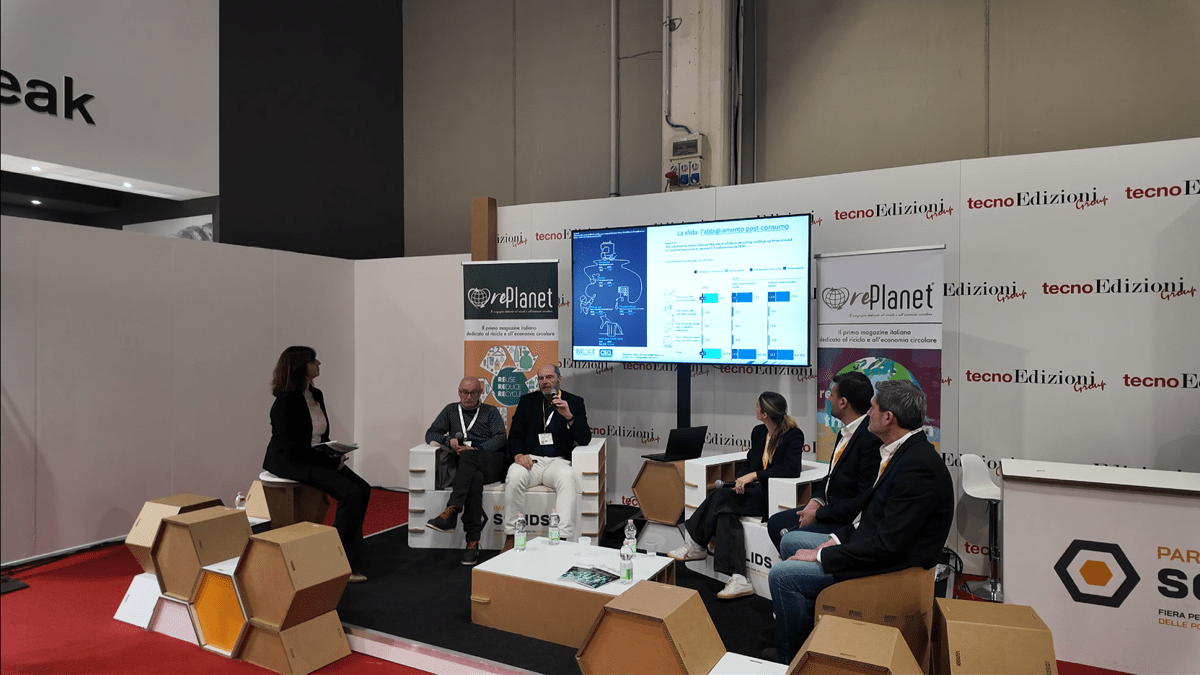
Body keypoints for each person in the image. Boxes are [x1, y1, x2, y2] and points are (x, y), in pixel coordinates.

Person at [767, 380, 953, 663]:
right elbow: (872, 518)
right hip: (877, 548)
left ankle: (791, 659)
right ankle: (806, 637)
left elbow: (887, 545)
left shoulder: (917, 466)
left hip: (894, 568)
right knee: (792, 542)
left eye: (873, 408)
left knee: (781, 575)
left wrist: (824, 555)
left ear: (888, 417)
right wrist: (834, 540)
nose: (868, 413)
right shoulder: (900, 452)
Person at [669, 392, 805, 600]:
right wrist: (740, 481)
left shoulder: (793, 435)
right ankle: (740, 578)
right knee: (725, 513)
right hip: (752, 491)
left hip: (771, 495)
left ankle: (696, 542)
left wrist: (755, 476)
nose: (755, 408)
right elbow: (750, 462)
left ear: (765, 414)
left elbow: (791, 469)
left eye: (757, 406)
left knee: (719, 497)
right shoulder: (759, 432)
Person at [263, 346, 371, 583]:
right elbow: (292, 447)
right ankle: (335, 561)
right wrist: (328, 459)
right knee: (350, 493)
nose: (318, 364)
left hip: (316, 456)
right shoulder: (285, 402)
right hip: (290, 460)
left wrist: (334, 452)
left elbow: (320, 435)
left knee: (363, 488)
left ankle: (349, 554)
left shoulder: (316, 394)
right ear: (300, 367)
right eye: (313, 361)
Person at [766, 371, 881, 551]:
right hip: (828, 508)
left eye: (832, 395)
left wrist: (818, 514)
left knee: (789, 537)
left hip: (845, 521)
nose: (828, 399)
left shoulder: (869, 438)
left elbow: (862, 500)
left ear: (843, 403)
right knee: (775, 523)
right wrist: (815, 502)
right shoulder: (846, 432)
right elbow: (831, 476)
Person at [502, 364, 590, 550]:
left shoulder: (574, 402)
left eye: (549, 377)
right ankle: (511, 534)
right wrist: (518, 454)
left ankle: (562, 537)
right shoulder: (527, 401)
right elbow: (515, 434)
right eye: (541, 378)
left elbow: (584, 438)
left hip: (557, 461)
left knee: (567, 477)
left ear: (559, 379)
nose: (545, 382)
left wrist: (569, 416)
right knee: (514, 475)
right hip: (531, 461)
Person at [424, 376, 509, 565]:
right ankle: (472, 542)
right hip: (467, 468)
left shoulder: (490, 411)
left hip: (489, 461)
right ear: (458, 392)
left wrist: (476, 448)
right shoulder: (450, 410)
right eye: (464, 392)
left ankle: (452, 510)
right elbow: (431, 433)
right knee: (474, 479)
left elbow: (500, 438)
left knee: (469, 457)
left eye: (473, 393)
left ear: (480, 393)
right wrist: (449, 441)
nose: (468, 397)